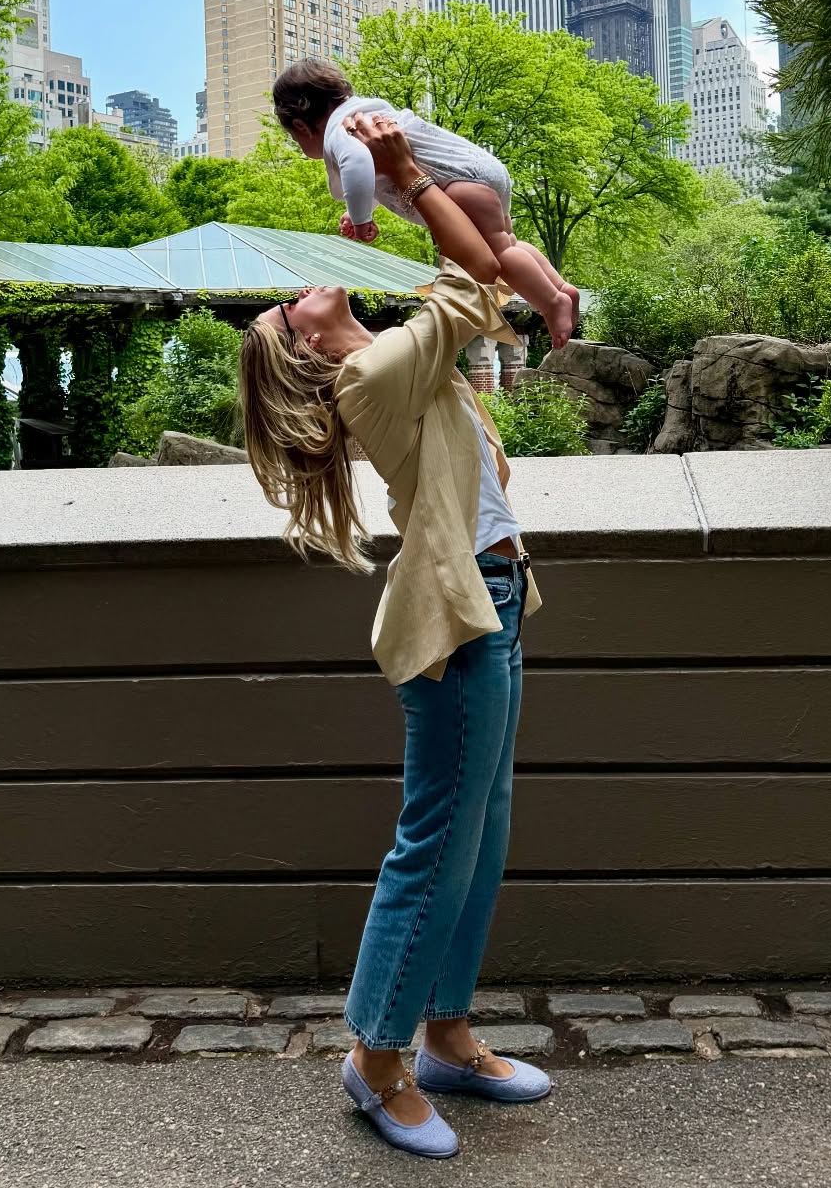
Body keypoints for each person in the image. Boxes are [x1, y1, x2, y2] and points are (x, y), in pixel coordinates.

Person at [238, 109, 552, 1161]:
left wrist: (407, 197)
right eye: (289, 306)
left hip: (494, 606)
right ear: (304, 347)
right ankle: (376, 1059)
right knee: (434, 846)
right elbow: (481, 277)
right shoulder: (371, 376)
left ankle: (449, 1036)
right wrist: (409, 176)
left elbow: (466, 278)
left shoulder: (393, 360)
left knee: (481, 839)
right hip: (461, 627)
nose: (301, 287)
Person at [271, 58, 579, 347]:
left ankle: (552, 302)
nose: (301, 147)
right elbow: (379, 179)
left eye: (296, 140)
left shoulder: (342, 130)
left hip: (460, 182)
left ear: (301, 126)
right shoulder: (367, 113)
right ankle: (561, 287)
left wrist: (360, 215)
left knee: (499, 257)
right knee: (509, 242)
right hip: (477, 171)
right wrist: (359, 211)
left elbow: (357, 164)